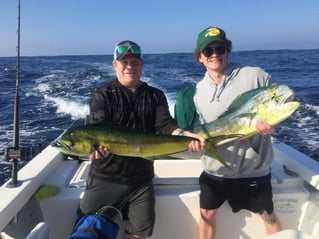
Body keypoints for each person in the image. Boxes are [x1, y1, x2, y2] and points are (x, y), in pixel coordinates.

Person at [79, 40, 205, 239]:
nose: (130, 67)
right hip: (105, 178)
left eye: (135, 62)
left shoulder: (155, 95)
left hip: (141, 181)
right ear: (115, 65)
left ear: (142, 65)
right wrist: (95, 149)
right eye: (124, 62)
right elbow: (98, 127)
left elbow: (165, 125)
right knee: (86, 229)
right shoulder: (102, 95)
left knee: (139, 234)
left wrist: (183, 134)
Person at [192, 26, 282, 238]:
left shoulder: (255, 76)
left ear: (227, 50)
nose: (215, 54)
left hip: (253, 169)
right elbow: (203, 128)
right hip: (216, 171)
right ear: (200, 57)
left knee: (267, 215)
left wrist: (273, 126)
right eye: (208, 51)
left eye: (220, 49)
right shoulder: (198, 92)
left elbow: (280, 103)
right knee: (206, 212)